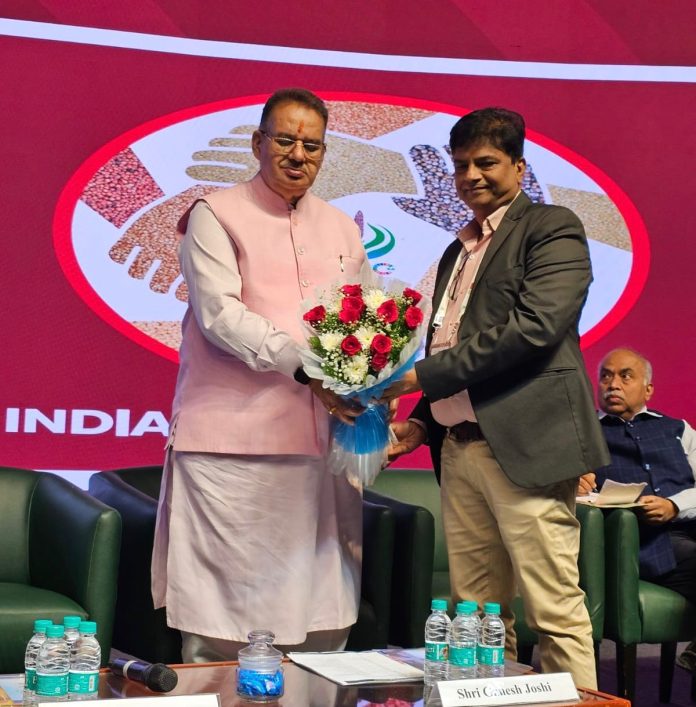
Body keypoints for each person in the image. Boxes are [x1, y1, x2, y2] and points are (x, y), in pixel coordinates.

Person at [383, 107, 609, 688]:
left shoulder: (552, 227)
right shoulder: (458, 249)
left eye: (486, 162)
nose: (471, 176)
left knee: (553, 610)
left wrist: (421, 377)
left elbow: (533, 330)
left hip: (528, 444)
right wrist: (423, 422)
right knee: (475, 615)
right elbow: (453, 344)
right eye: (461, 165)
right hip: (459, 449)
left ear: (519, 166)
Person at [151, 88, 368, 662]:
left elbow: (367, 319)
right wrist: (309, 367)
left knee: (323, 613)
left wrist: (375, 387)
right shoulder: (214, 214)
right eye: (285, 140)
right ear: (257, 143)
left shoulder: (343, 227)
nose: (298, 154)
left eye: (311, 145)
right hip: (233, 448)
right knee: (226, 617)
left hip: (324, 447)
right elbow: (219, 315)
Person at [579, 348, 696, 671]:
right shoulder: (584, 433)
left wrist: (675, 505)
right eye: (606, 376)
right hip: (639, 543)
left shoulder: (679, 429)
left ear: (648, 389)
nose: (613, 384)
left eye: (625, 376)